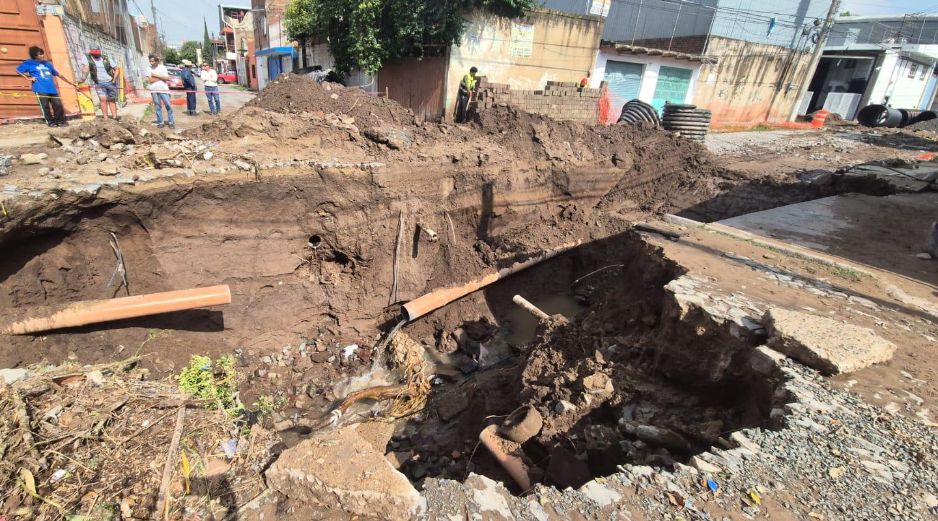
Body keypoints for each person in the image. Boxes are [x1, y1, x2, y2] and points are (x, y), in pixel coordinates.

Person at [16, 46, 67, 127]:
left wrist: (69, 82)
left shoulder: (47, 64)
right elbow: (18, 70)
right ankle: (51, 122)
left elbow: (57, 74)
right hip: (40, 88)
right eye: (41, 54)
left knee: (58, 105)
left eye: (43, 53)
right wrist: (28, 78)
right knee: (45, 106)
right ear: (35, 55)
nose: (43, 55)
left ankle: (59, 121)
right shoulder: (28, 63)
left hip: (52, 88)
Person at [82, 48, 118, 119]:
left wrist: (114, 79)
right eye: (94, 55)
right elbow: (86, 69)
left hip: (110, 82)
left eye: (97, 54)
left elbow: (117, 69)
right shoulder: (87, 58)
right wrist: (82, 79)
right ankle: (106, 118)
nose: (96, 56)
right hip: (99, 83)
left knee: (111, 99)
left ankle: (115, 117)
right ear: (91, 54)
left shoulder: (106, 59)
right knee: (103, 99)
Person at [147, 54, 174, 129]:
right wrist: (162, 77)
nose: (151, 63)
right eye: (150, 61)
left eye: (153, 61)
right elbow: (150, 80)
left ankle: (171, 122)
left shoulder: (163, 67)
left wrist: (155, 75)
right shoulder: (148, 68)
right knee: (157, 107)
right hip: (154, 90)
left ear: (157, 61)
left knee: (168, 106)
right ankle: (160, 122)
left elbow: (167, 78)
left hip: (164, 89)